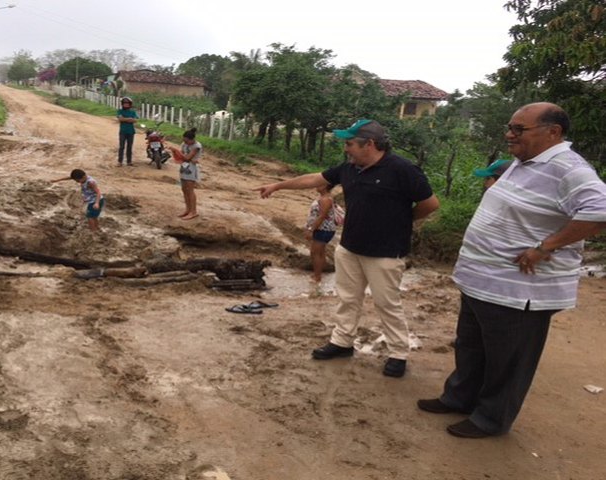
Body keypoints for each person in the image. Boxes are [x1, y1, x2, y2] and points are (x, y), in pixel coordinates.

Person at [417, 102, 606, 438]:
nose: (509, 134)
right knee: (471, 346)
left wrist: (545, 247)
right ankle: (460, 397)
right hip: (482, 281)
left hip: (518, 290)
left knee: (508, 359)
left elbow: (599, 212)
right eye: (510, 127)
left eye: (519, 129)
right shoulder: (526, 161)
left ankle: (491, 419)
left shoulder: (569, 168)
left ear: (553, 132)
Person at [256, 119, 440, 377]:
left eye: (350, 143)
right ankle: (342, 342)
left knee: (387, 303)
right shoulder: (350, 168)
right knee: (347, 298)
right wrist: (278, 185)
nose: (346, 148)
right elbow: (315, 178)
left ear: (370, 144)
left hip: (386, 252)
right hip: (350, 247)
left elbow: (430, 204)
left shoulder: (402, 170)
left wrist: (402, 220)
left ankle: (398, 353)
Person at [305, 183, 340, 285]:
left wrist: (311, 229)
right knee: (320, 253)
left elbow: (322, 216)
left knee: (315, 253)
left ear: (325, 186)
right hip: (323, 229)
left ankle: (317, 277)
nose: (317, 185)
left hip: (323, 229)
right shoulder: (325, 198)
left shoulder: (326, 199)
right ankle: (318, 274)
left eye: (319, 184)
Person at [175, 127, 202, 221]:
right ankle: (188, 209)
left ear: (192, 140)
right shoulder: (184, 144)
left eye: (186, 141)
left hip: (191, 168)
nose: (185, 143)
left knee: (190, 190)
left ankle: (193, 211)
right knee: (184, 189)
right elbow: (183, 156)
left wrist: (177, 152)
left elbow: (187, 158)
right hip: (184, 167)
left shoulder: (196, 146)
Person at [116, 96, 138, 166]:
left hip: (131, 132)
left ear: (130, 104)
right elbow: (120, 119)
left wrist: (124, 119)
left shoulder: (133, 112)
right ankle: (120, 162)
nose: (126, 104)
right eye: (124, 103)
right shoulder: (120, 111)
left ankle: (129, 161)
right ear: (122, 104)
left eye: (127, 103)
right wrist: (129, 119)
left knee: (129, 147)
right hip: (123, 131)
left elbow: (135, 120)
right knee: (121, 147)